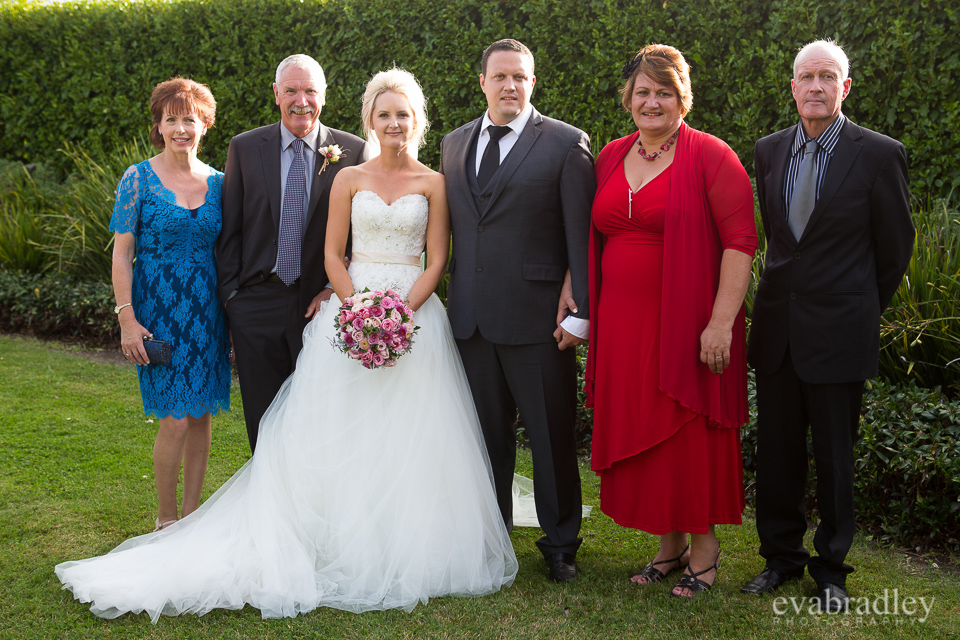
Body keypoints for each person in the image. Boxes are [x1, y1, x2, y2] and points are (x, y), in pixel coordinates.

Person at [55, 68, 518, 621]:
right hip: (320, 306)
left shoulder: (403, 172)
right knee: (302, 423)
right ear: (368, 118)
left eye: (403, 114)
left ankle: (397, 530)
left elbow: (436, 258)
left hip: (383, 311)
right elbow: (287, 242)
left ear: (414, 120)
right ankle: (282, 524)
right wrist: (351, 307)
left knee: (408, 430)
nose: (394, 122)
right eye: (384, 113)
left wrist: (391, 310)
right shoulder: (295, 161)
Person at [741, 40, 914, 612]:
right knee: (778, 454)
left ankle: (832, 570)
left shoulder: (879, 154)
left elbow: (894, 251)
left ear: (845, 87)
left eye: (827, 77)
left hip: (841, 330)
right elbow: (777, 240)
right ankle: (780, 559)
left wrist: (858, 305)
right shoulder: (767, 151)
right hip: (778, 331)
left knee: (836, 460)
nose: (815, 87)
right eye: (805, 77)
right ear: (792, 88)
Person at [584, 44, 757, 598]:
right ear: (629, 99)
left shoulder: (711, 156)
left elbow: (741, 243)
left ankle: (704, 550)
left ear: (682, 98)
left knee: (687, 434)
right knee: (645, 427)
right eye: (642, 91)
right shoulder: (610, 156)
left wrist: (720, 323)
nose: (651, 101)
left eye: (663, 92)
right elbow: (591, 236)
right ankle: (669, 544)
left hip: (687, 322)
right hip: (623, 324)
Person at [440, 39, 595, 583]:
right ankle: (491, 533)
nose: (510, 86)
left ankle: (560, 543)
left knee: (551, 435)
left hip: (539, 320)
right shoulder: (452, 144)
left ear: (533, 84)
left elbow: (582, 236)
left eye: (521, 78)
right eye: (500, 76)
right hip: (471, 317)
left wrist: (583, 313)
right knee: (485, 435)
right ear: (481, 81)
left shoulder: (564, 143)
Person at [217, 54, 366, 453]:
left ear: (324, 95)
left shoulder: (353, 150)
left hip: (318, 306)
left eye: (310, 91)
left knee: (319, 418)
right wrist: (233, 300)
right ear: (276, 94)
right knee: (263, 421)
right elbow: (230, 229)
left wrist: (335, 292)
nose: (301, 100)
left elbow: (359, 238)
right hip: (256, 303)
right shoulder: (245, 148)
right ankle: (268, 510)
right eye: (291, 91)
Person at [110, 77, 231, 533]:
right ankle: (165, 518)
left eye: (191, 119)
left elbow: (228, 254)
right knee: (176, 418)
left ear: (205, 126)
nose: (182, 128)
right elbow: (122, 252)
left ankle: (193, 517)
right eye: (172, 119)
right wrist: (127, 319)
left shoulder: (221, 183)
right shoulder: (137, 178)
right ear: (158, 126)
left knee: (199, 414)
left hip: (207, 313)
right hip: (157, 312)